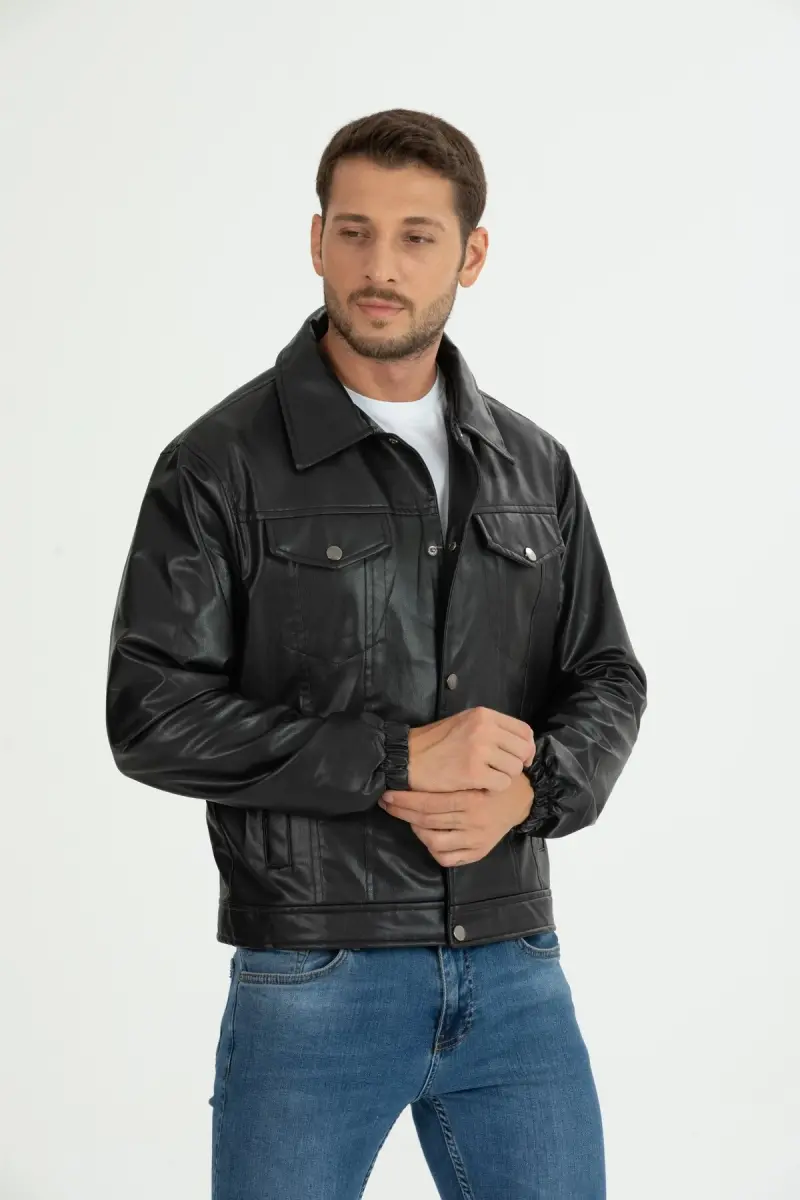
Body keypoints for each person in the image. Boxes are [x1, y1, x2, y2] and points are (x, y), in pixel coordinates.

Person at [105, 107, 647, 1199]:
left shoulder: (531, 464)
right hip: (315, 972)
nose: (379, 268)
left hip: (514, 967)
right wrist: (396, 758)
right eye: (353, 232)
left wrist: (532, 791)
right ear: (317, 241)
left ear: (471, 255)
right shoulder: (218, 465)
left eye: (415, 237)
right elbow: (152, 715)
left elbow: (605, 674)